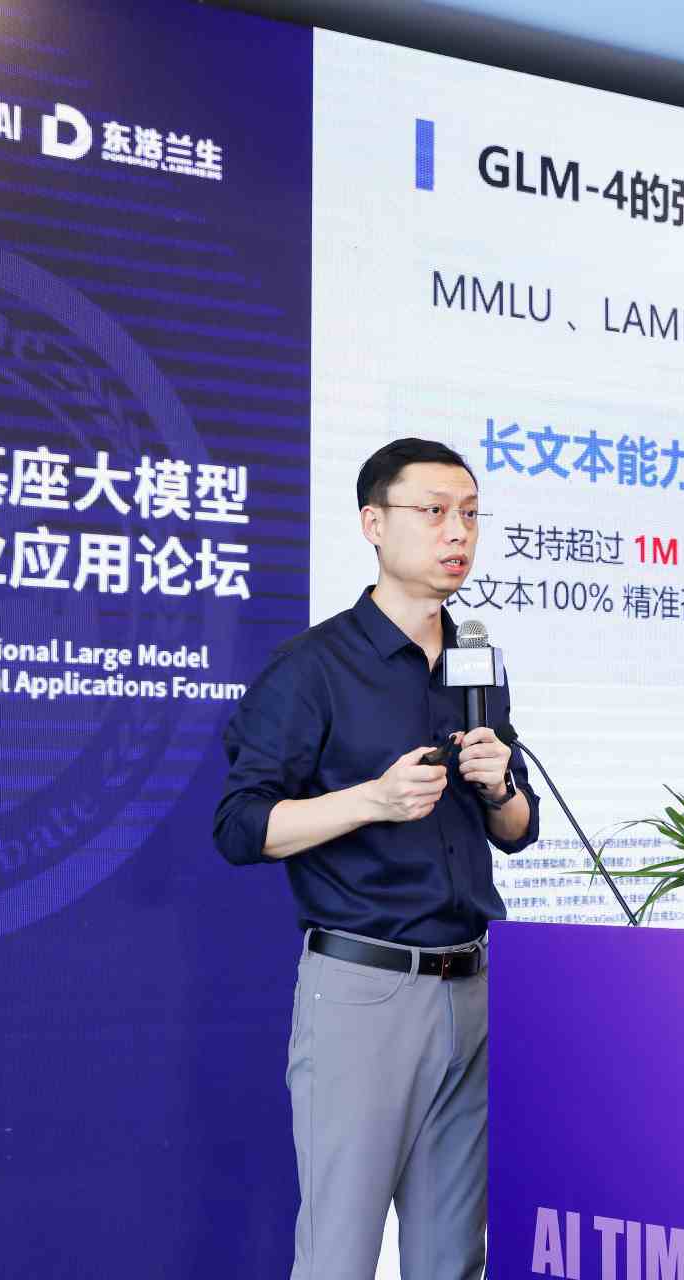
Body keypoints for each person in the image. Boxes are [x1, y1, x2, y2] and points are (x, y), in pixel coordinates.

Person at [213, 438, 539, 1280]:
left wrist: (500, 785)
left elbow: (515, 829)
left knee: (451, 1257)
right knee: (340, 1255)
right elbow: (241, 826)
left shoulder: (475, 662)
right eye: (433, 511)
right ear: (373, 523)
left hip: (473, 990)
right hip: (366, 991)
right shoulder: (313, 669)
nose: (457, 532)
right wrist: (372, 800)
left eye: (470, 515)